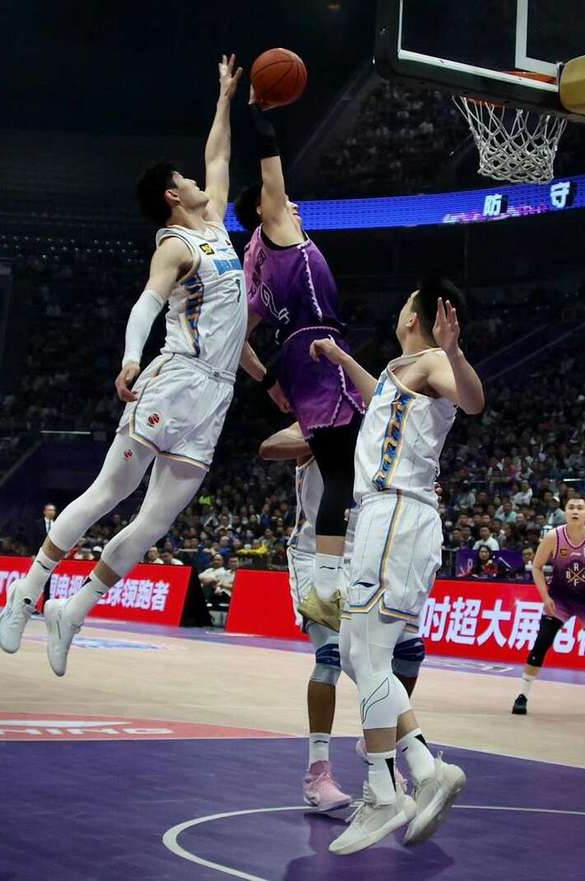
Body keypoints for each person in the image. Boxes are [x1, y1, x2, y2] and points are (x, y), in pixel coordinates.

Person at [0, 55, 246, 676]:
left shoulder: (214, 224)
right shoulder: (175, 245)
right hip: (178, 377)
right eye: (184, 178)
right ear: (172, 196)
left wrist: (224, 98)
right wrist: (132, 357)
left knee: (156, 521)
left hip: (217, 395)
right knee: (112, 491)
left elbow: (218, 154)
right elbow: (147, 304)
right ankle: (27, 591)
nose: (198, 179)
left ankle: (73, 610)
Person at [309, 280, 485, 855]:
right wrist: (342, 360)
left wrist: (454, 351)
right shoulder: (397, 371)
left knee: (369, 656)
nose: (400, 306)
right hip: (381, 518)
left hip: (398, 516)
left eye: (407, 301)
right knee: (357, 655)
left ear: (416, 316)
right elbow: (380, 394)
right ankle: (426, 768)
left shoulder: (434, 361)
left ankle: (385, 791)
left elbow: (473, 401)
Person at [235, 85, 365, 612]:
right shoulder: (278, 231)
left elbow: (237, 340)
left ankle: (329, 582)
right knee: (344, 470)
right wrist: (260, 117)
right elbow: (271, 169)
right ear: (265, 210)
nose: (293, 205)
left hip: (294, 360)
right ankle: (330, 584)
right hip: (318, 348)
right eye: (283, 203)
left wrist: (270, 384)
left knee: (340, 466)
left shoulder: (255, 269)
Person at [260, 422, 428, 812]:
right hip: (315, 555)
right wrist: (318, 440)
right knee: (332, 655)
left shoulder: (384, 430)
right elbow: (268, 446)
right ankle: (317, 772)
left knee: (410, 652)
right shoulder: (323, 421)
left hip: (367, 558)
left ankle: (377, 740)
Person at [511, 497, 585, 715]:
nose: (575, 511)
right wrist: (545, 597)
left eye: (580, 508)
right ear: (566, 512)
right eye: (571, 507)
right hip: (559, 599)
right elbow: (537, 567)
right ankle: (522, 695)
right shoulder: (554, 536)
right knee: (541, 643)